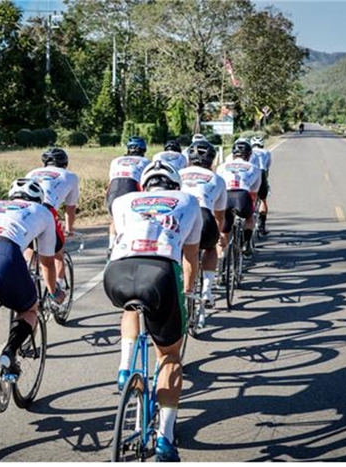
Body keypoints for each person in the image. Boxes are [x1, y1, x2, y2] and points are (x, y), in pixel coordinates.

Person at [105, 160, 202, 462]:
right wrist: (187, 293)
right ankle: (165, 438)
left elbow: (124, 241)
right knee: (169, 357)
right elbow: (190, 258)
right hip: (161, 272)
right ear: (175, 185)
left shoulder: (122, 200)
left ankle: (124, 368)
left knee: (132, 303)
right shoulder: (189, 201)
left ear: (144, 185)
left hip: (118, 272)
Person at [0, 178, 65, 373]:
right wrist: (53, 291)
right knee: (30, 310)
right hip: (4, 256)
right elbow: (47, 263)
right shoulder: (42, 211)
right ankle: (9, 353)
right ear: (39, 199)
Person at [179, 140, 227, 312]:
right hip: (205, 215)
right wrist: (218, 234)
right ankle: (206, 290)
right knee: (210, 248)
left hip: (181, 217)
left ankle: (181, 289)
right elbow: (219, 215)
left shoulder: (178, 173)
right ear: (212, 161)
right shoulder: (218, 179)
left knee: (182, 251)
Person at [25, 147, 80, 290]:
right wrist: (69, 229)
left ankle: (26, 275)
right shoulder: (70, 176)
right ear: (65, 163)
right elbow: (70, 208)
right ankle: (56, 290)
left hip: (25, 210)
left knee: (30, 251)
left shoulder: (32, 172)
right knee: (57, 255)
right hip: (46, 211)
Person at [106, 137, 151, 257]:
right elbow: (146, 183)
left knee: (115, 218)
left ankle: (111, 247)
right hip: (131, 188)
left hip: (113, 190)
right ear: (143, 149)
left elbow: (111, 179)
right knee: (139, 218)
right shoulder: (146, 162)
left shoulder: (116, 160)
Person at [215, 140, 261, 257]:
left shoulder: (221, 167)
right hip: (242, 197)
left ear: (233, 154)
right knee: (250, 217)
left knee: (224, 231)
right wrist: (251, 208)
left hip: (225, 196)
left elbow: (217, 187)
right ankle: (246, 241)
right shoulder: (254, 168)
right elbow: (254, 194)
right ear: (249, 155)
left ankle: (219, 263)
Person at [249, 135, 272, 235]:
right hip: (261, 173)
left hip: (250, 173)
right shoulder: (266, 152)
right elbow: (267, 168)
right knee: (263, 200)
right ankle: (262, 226)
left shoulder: (249, 151)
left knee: (249, 197)